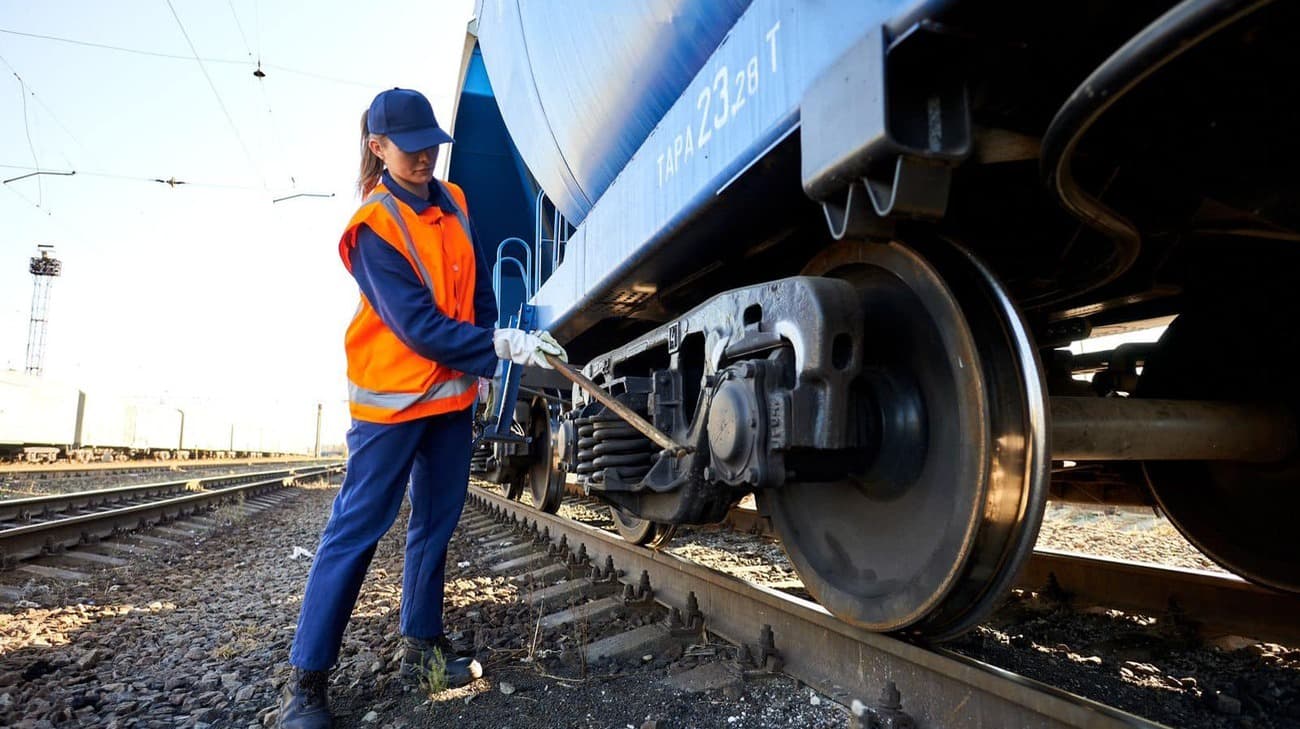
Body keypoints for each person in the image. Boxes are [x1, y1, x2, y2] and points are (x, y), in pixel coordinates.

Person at [278, 87, 566, 729]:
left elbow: (480, 286)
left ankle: (422, 647)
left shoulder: (454, 199)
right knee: (357, 530)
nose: (423, 158)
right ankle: (306, 682)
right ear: (378, 148)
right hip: (392, 404)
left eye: (431, 145)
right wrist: (495, 348)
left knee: (436, 522)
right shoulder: (372, 228)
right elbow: (417, 327)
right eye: (409, 149)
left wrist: (488, 360)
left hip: (450, 400)